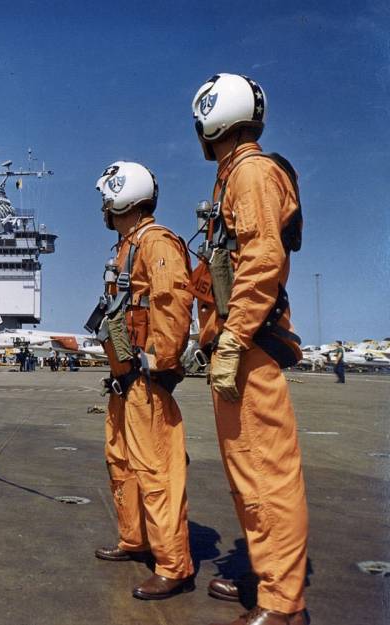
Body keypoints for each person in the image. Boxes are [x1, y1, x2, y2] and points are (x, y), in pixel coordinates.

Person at [191, 73, 309, 625]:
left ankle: (283, 604)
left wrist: (234, 337)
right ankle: (265, 573)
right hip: (234, 342)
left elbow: (263, 258)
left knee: (266, 472)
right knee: (247, 471)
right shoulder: (233, 177)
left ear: (211, 120)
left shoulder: (252, 175)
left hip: (250, 343)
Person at [90, 160, 195, 599]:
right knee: (121, 460)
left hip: (144, 380)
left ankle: (173, 564)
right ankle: (135, 539)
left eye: (106, 198)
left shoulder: (157, 243)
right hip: (123, 380)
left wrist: (162, 363)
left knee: (155, 468)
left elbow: (172, 302)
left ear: (122, 197)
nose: (103, 208)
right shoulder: (127, 247)